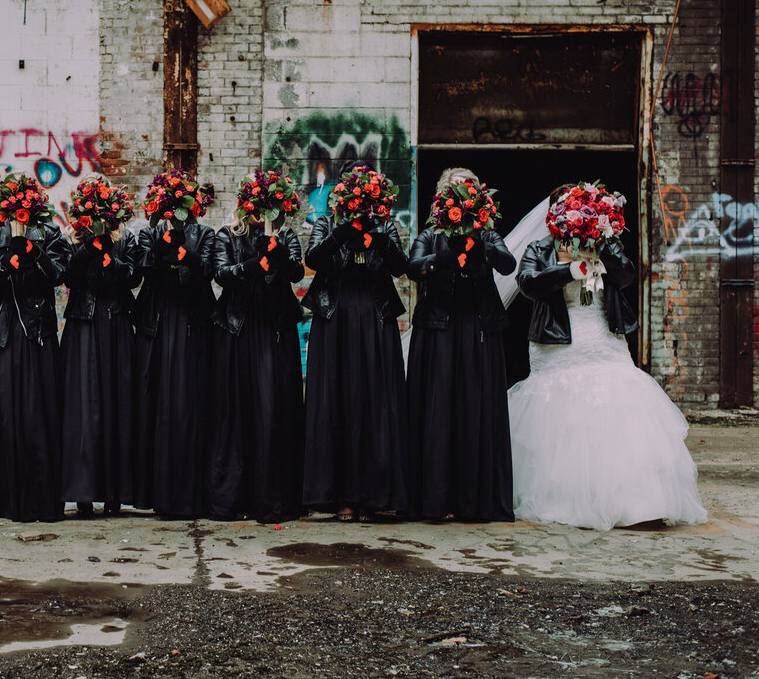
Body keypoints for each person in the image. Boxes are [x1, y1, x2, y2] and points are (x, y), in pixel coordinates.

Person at [508, 185, 708, 530]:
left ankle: (639, 500)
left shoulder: (605, 242)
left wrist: (600, 248)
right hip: (556, 343)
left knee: (621, 408)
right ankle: (566, 497)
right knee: (562, 418)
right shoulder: (539, 248)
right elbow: (527, 284)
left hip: (602, 335)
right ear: (554, 216)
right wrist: (567, 271)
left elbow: (628, 274)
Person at [405, 167, 517, 522]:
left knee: (474, 409)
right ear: (442, 198)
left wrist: (482, 243)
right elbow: (413, 266)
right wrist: (443, 258)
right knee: (437, 411)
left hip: (477, 329)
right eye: (455, 190)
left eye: (468, 189)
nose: (462, 195)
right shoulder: (429, 234)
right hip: (439, 328)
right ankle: (435, 499)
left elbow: (508, 263)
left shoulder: (488, 233)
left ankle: (473, 500)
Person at [302, 201, 410, 521]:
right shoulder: (326, 223)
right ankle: (340, 497)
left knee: (375, 403)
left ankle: (373, 495)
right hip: (335, 317)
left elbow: (400, 266)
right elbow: (313, 259)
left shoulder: (385, 224)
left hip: (375, 317)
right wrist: (341, 234)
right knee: (337, 401)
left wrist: (380, 239)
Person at [0, 216, 72, 522]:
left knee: (40, 418)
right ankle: (6, 500)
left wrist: (33, 252)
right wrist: (8, 262)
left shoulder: (49, 233)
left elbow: (58, 274)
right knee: (4, 418)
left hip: (37, 334)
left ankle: (41, 499)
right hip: (0, 337)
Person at [206, 217, 305, 524]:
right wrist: (254, 264)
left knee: (273, 409)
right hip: (238, 328)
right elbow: (220, 272)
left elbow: (298, 273)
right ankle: (234, 497)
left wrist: (279, 258)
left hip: (275, 327)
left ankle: (273, 497)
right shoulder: (227, 234)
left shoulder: (285, 234)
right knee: (236, 410)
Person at [133, 220, 218, 518]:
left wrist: (185, 255)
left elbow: (210, 271)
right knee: (156, 406)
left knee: (190, 406)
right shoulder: (149, 233)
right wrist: (160, 248)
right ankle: (155, 493)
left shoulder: (205, 233)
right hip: (155, 326)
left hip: (195, 324)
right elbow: (140, 270)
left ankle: (192, 494)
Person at [60, 220, 143, 516]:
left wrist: (111, 258)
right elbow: (67, 278)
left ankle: (115, 494)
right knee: (81, 409)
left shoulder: (126, 239)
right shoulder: (71, 239)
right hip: (82, 323)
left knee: (117, 406)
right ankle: (83, 493)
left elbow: (134, 277)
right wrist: (85, 249)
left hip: (116, 323)